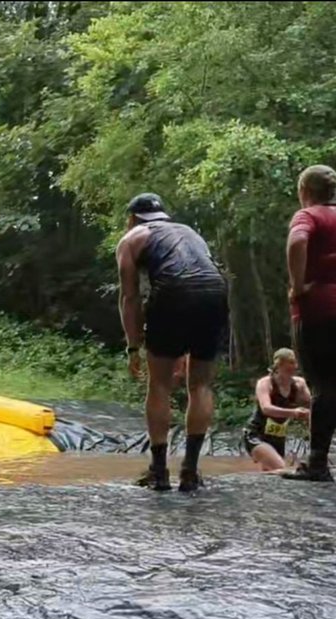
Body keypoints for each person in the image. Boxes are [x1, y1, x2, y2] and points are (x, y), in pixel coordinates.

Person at [116, 193, 229, 492]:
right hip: (214, 292)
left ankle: (159, 471)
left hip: (173, 293)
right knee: (201, 385)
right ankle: (190, 471)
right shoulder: (191, 233)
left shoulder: (131, 239)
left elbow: (130, 298)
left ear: (131, 219)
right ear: (163, 216)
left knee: (160, 385)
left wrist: (133, 346)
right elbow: (201, 271)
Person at [283, 165, 336, 482]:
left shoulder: (309, 216)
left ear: (305, 191)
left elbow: (297, 241)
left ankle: (317, 463)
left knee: (324, 385)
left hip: (320, 311)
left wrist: (298, 284)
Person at [244, 348, 311, 471]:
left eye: (294, 364)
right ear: (278, 366)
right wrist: (294, 413)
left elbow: (312, 406)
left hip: (278, 437)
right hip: (256, 435)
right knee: (280, 468)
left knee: (271, 474)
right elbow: (266, 408)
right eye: (288, 367)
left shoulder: (299, 384)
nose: (293, 369)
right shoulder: (265, 383)